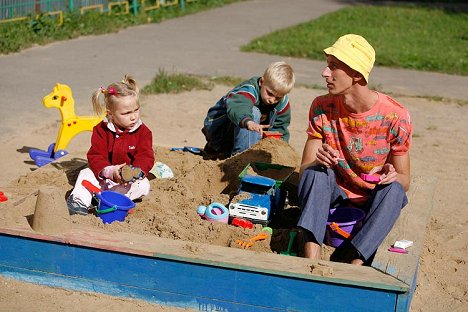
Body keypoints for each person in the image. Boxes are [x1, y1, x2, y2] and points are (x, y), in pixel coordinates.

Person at [297, 34, 412, 265]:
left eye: (334, 67)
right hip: (334, 195)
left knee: (395, 190)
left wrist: (392, 175)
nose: (325, 73)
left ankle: (354, 263)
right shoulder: (321, 107)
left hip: (371, 201)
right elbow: (304, 171)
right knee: (316, 174)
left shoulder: (395, 116)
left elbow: (405, 179)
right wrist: (317, 160)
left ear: (357, 75)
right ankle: (311, 261)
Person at [66, 75, 155, 215]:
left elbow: (146, 156)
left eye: (136, 110)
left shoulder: (143, 132)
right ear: (110, 114)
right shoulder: (101, 130)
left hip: (126, 182)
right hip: (104, 177)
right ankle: (79, 201)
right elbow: (96, 155)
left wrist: (136, 172)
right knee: (86, 173)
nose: (133, 117)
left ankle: (111, 199)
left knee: (144, 186)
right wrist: (109, 171)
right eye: (126, 113)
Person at [202, 61, 295, 159]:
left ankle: (243, 155)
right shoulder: (248, 89)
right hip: (220, 130)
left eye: (278, 97)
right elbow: (239, 107)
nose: (272, 100)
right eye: (270, 93)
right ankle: (241, 159)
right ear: (261, 82)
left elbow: (280, 128)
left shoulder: (282, 103)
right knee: (254, 112)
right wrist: (249, 122)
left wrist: (281, 149)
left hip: (251, 137)